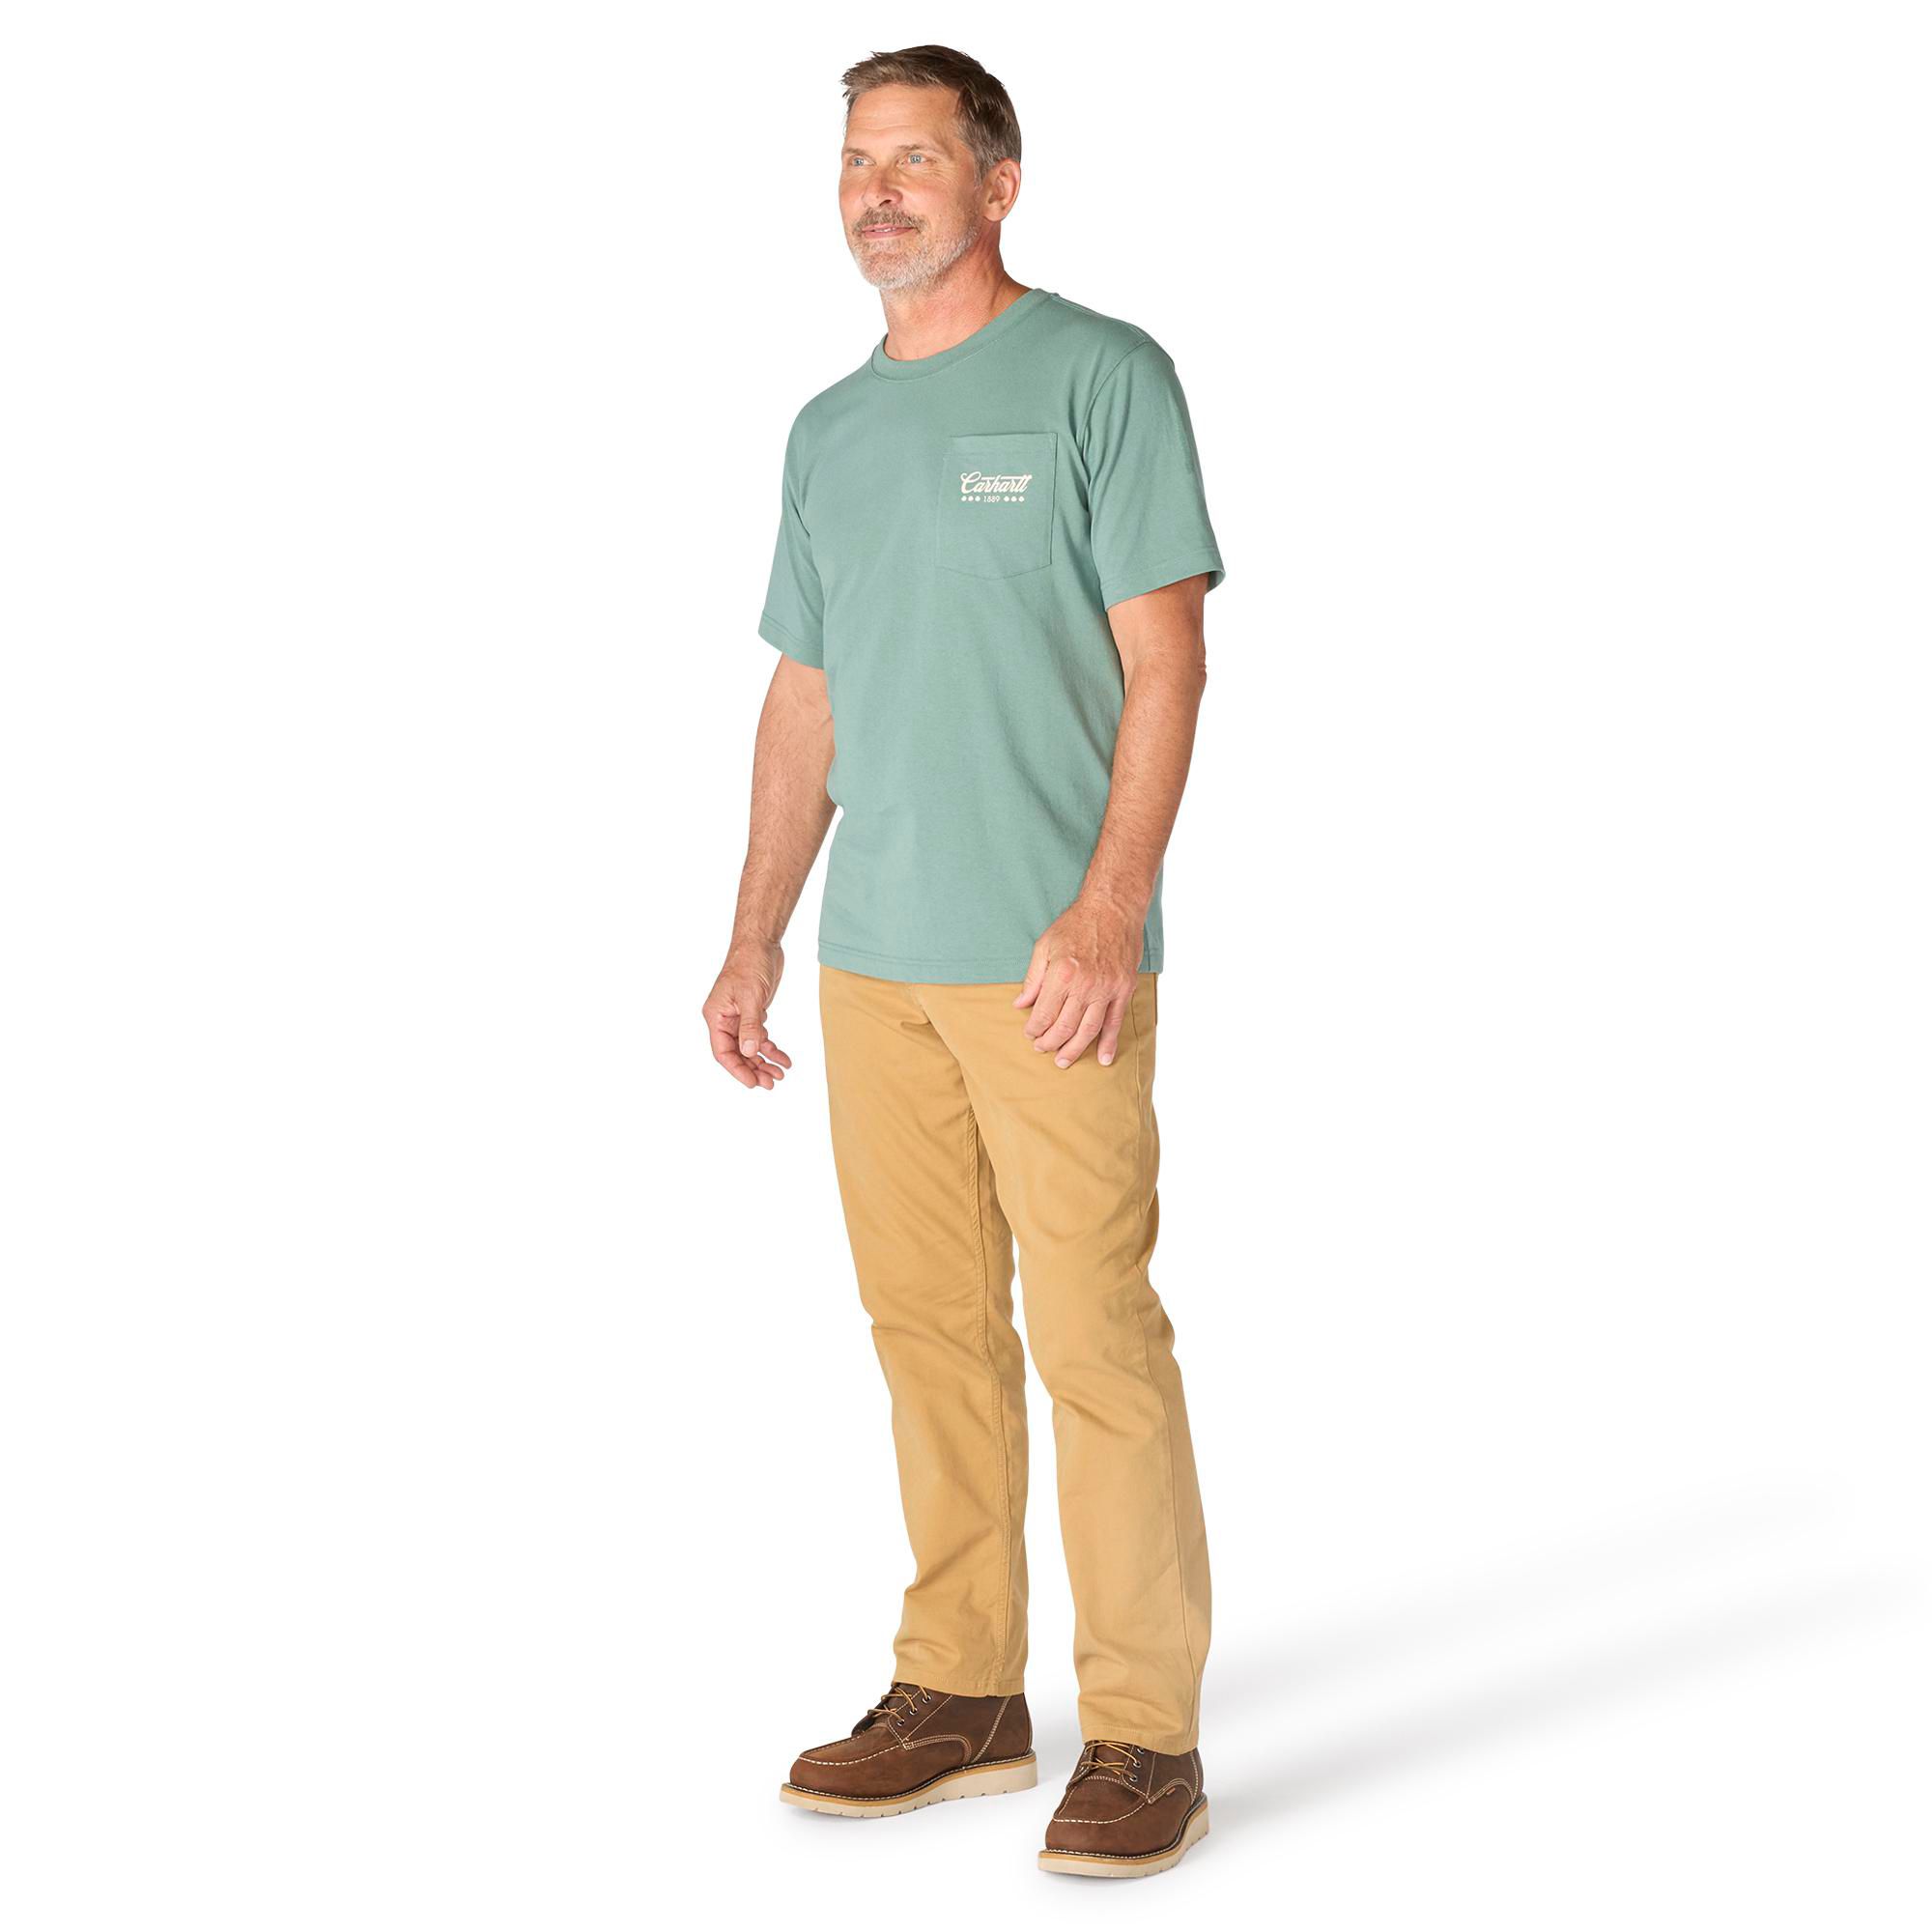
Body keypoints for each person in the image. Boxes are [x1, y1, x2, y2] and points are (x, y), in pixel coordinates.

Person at [702, 44, 1224, 1878]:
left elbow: (1167, 661)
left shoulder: (1101, 378)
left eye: (915, 159)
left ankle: (1146, 1731)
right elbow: (807, 696)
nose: (877, 191)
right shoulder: (828, 434)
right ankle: (965, 1692)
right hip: (874, 968)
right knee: (926, 1335)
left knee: (1094, 1337)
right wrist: (755, 933)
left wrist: (1105, 913)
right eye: (857, 161)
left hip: (1051, 967)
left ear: (999, 183)